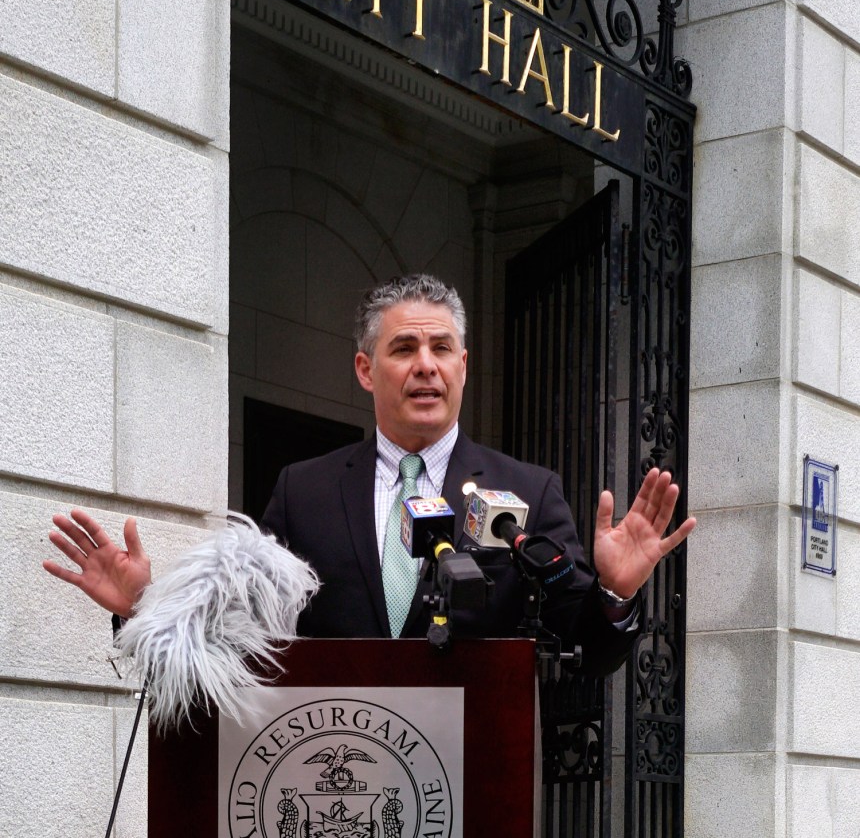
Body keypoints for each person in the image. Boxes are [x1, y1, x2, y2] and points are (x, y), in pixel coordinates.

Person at [43, 275, 695, 675]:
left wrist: (611, 592)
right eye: (404, 348)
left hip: (475, 781)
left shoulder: (529, 491)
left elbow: (588, 653)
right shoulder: (305, 489)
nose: (426, 366)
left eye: (442, 348)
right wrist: (146, 607)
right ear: (365, 368)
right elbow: (240, 638)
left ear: (464, 366)